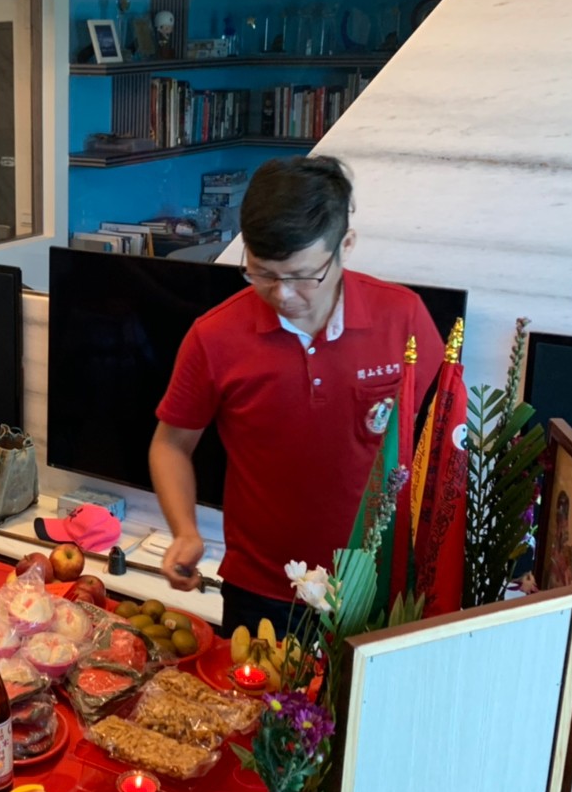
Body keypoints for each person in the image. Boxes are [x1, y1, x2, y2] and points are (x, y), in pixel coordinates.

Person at [150, 155, 442, 636]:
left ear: (345, 245)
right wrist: (185, 530)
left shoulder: (403, 318)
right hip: (262, 591)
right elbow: (170, 444)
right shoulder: (214, 336)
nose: (282, 294)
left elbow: (441, 439)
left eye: (303, 275)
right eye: (262, 273)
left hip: (379, 588)